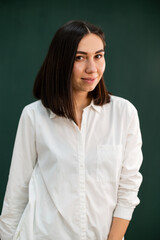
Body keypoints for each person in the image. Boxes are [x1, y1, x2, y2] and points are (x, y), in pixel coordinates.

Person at [0, 20, 143, 240]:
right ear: (61, 61)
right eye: (80, 57)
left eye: (98, 55)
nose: (92, 68)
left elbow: (128, 189)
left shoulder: (124, 114)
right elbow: (16, 193)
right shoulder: (34, 116)